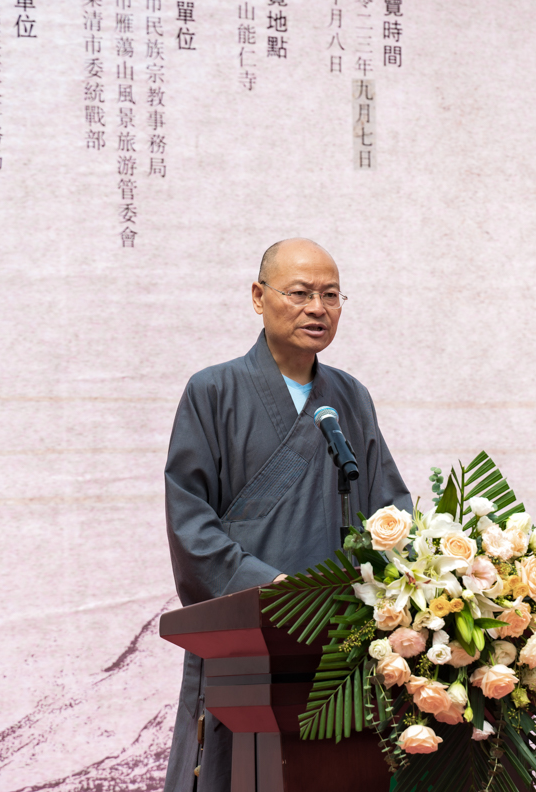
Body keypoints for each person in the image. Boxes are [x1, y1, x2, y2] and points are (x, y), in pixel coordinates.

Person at [162, 238, 411, 792]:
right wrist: (273, 590)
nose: (317, 309)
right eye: (299, 293)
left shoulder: (350, 396)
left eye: (330, 295)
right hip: (254, 638)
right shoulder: (213, 391)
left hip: (341, 648)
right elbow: (191, 521)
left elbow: (391, 510)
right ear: (259, 296)